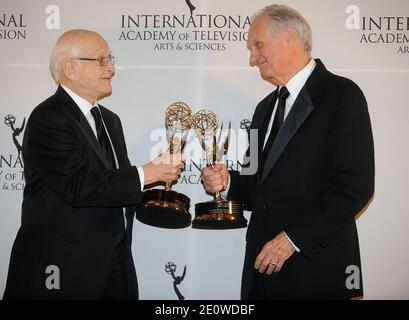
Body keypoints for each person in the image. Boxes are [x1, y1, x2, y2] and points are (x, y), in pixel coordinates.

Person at [201, 4, 374, 299]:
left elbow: (353, 187)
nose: (252, 58)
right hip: (261, 275)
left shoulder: (342, 95)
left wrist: (292, 240)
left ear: (289, 37)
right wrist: (227, 182)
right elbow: (254, 186)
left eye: (257, 44)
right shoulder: (264, 108)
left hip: (314, 272)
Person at [3, 29, 184, 300]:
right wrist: (146, 173)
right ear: (70, 68)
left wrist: (159, 192)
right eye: (102, 60)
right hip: (61, 268)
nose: (112, 68)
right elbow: (77, 186)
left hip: (113, 263)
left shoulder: (110, 120)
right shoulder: (49, 117)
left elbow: (114, 185)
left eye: (111, 59)